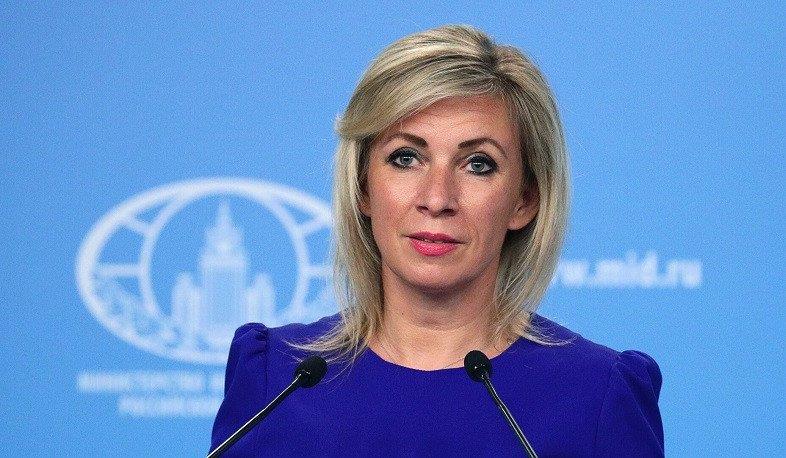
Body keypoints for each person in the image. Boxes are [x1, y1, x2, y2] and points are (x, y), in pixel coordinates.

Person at [211, 25, 664, 456]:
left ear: (524, 200)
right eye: (406, 158)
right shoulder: (277, 380)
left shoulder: (596, 396)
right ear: (363, 187)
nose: (437, 198)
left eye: (478, 164)